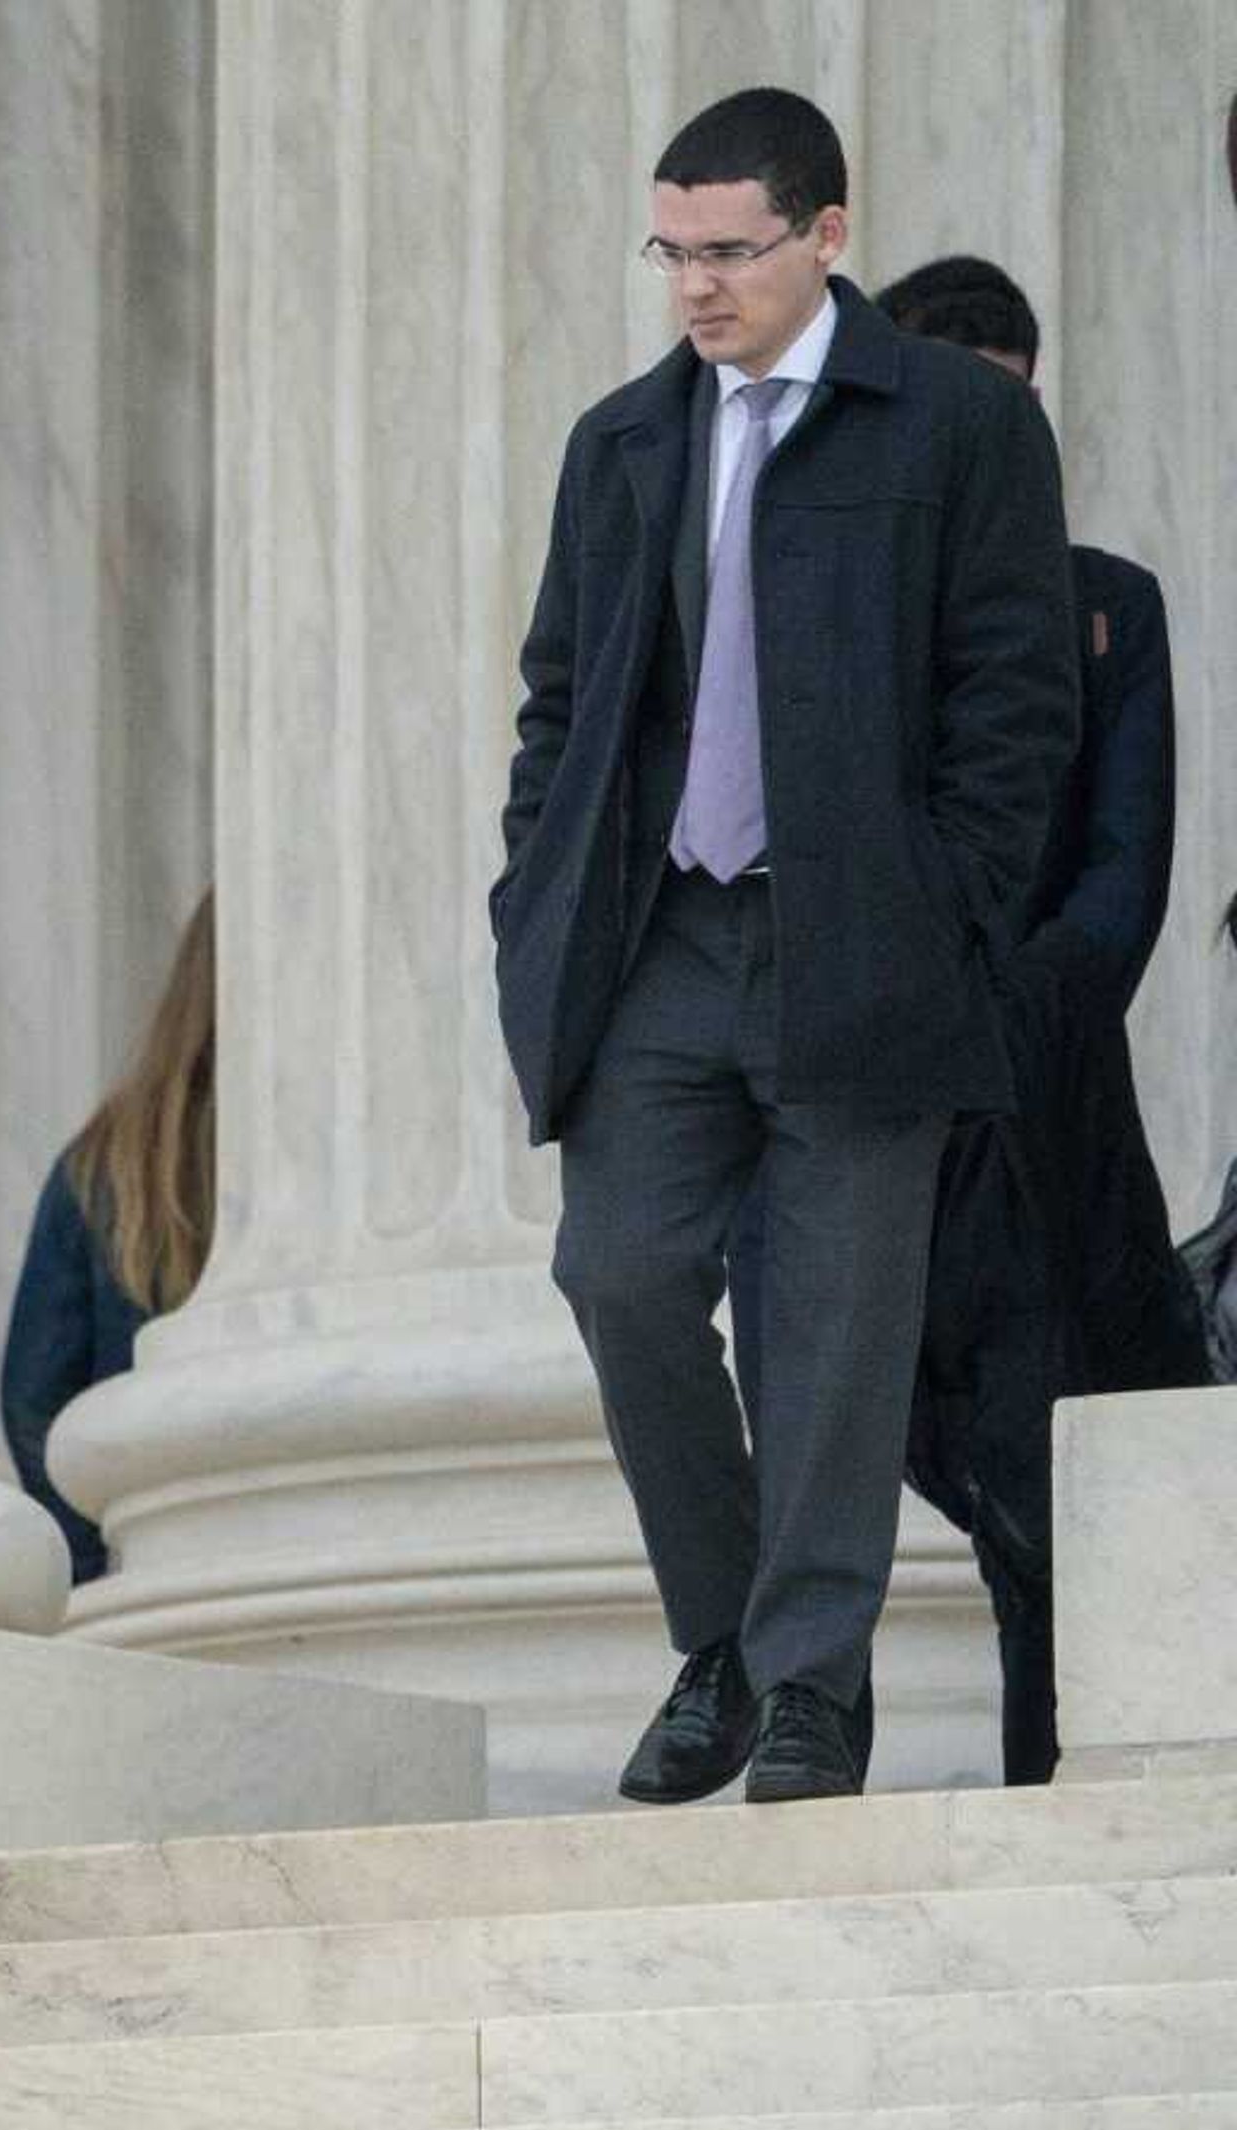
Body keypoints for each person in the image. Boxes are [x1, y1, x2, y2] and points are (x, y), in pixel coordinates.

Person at [498, 87, 1079, 1808]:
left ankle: (813, 1688)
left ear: (828, 236)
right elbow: (558, 699)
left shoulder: (960, 429)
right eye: (672, 250)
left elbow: (1018, 702)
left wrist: (949, 901)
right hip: (664, 940)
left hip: (869, 947)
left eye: (729, 250)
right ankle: (727, 1644)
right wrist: (535, 882)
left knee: (833, 1331)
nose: (695, 286)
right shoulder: (623, 444)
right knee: (618, 1273)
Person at [727, 257, 1209, 1786]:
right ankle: (814, 1736)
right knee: (862, 1440)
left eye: (1011, 405)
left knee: (1056, 1502)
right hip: (862, 1102)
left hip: (1046, 1112)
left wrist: (991, 1024)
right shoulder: (799, 617)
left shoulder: (1109, 610)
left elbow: (1121, 887)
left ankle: (1051, 1794)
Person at [1, 891, 216, 1583]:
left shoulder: (110, 1163)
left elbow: (35, 1399)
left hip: (145, 1558)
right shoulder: (110, 1167)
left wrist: (102, 1563)